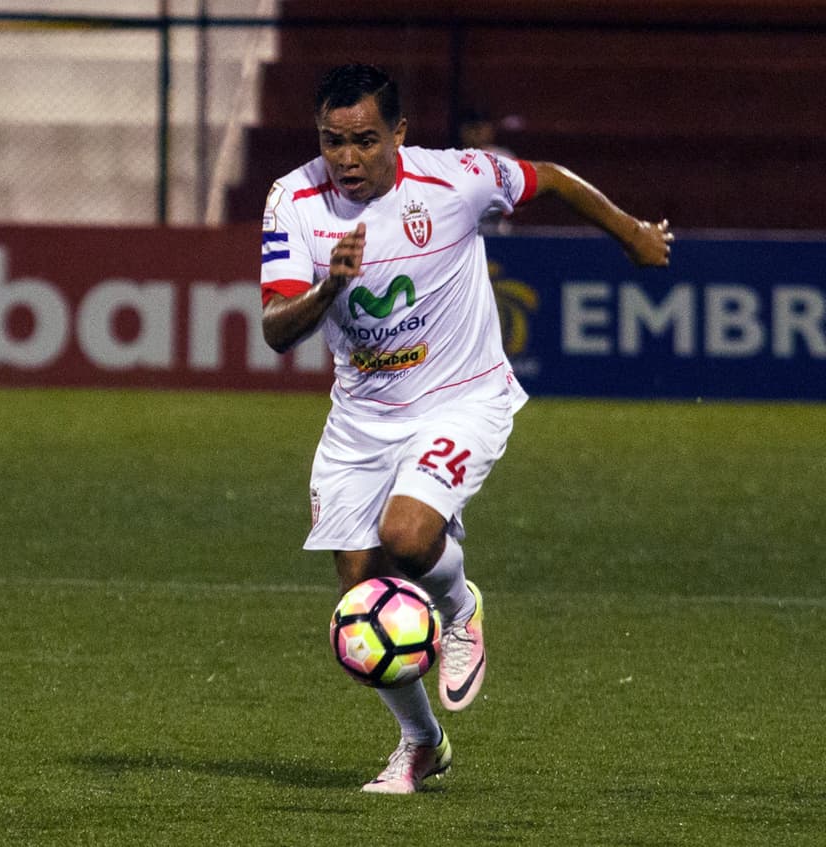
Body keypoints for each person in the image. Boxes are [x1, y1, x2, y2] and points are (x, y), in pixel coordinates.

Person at [259, 63, 672, 794]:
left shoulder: (456, 180)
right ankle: (420, 743)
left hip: (462, 397)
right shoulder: (293, 200)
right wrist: (331, 286)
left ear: (399, 134)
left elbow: (550, 178)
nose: (347, 158)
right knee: (360, 600)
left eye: (364, 140)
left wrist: (632, 232)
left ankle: (459, 604)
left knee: (409, 537)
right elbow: (275, 330)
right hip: (361, 418)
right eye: (332, 141)